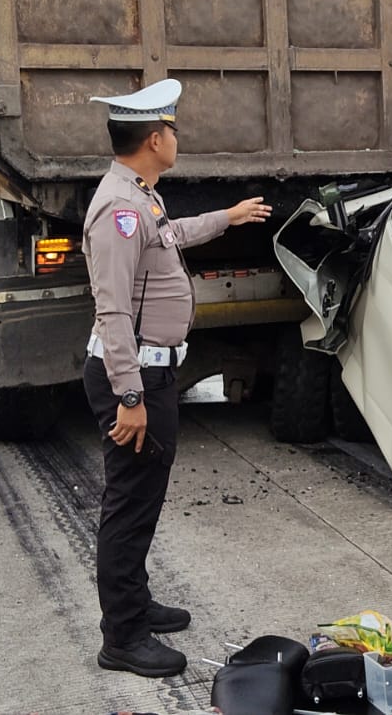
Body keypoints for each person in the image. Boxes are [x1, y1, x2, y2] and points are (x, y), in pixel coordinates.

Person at [81, 78, 270, 677]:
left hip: (152, 375)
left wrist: (229, 217)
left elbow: (174, 236)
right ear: (154, 138)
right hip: (135, 378)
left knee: (142, 500)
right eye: (173, 129)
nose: (176, 138)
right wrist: (130, 395)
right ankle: (123, 637)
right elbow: (111, 309)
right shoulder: (120, 210)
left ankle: (135, 605)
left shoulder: (141, 196)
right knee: (129, 506)